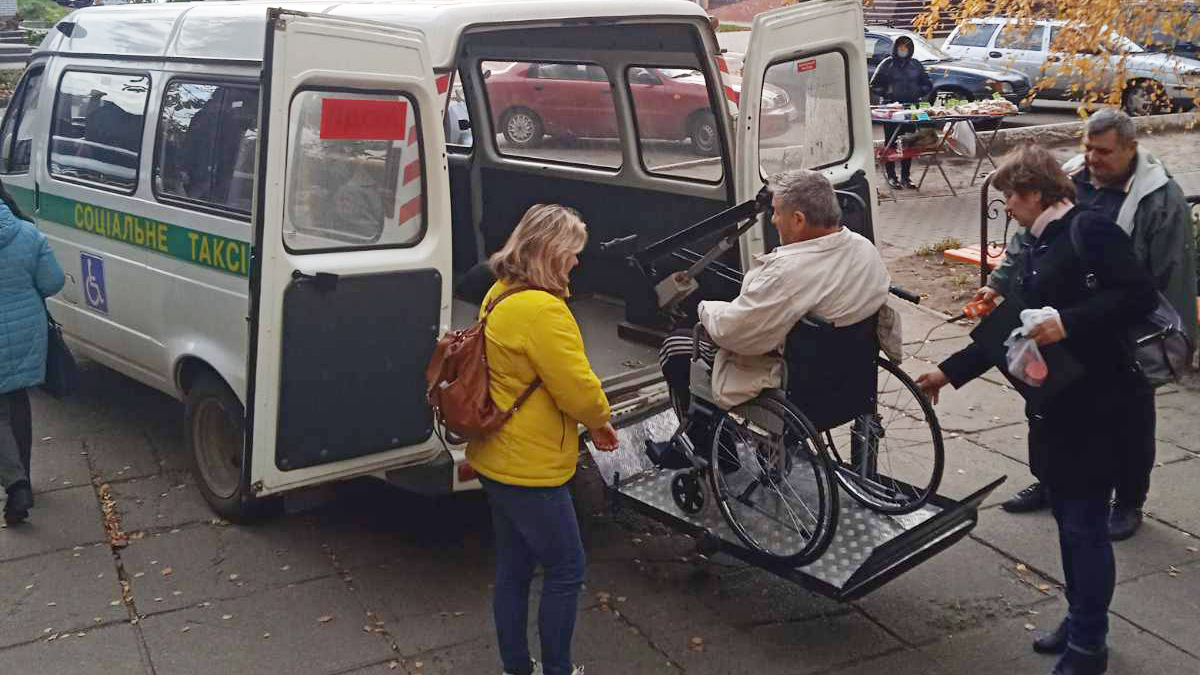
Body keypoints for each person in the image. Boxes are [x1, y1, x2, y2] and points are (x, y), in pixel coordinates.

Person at [917, 145, 1157, 675]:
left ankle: (1089, 645)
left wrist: (1068, 322)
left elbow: (1139, 296)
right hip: (1057, 404)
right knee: (1073, 525)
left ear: (1032, 194)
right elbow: (1008, 330)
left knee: (1083, 527)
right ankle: (1081, 618)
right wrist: (947, 372)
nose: (1007, 207)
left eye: (1009, 197)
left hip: (1098, 406)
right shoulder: (1037, 242)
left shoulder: (1089, 231)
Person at [980, 109, 1197, 540]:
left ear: (1130, 149)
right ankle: (1051, 479)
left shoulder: (1159, 198)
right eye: (1088, 148)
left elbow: (1172, 273)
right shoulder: (1072, 178)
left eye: (1104, 151)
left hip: (1123, 330)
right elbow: (1027, 239)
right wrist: (998, 284)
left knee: (1130, 421)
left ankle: (1128, 501)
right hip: (1058, 324)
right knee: (1045, 406)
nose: (1093, 158)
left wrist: (1171, 343)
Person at [467, 204, 618, 675]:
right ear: (552, 254)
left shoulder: (500, 292)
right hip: (530, 468)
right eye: (573, 253)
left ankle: (518, 667)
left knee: (513, 569)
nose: (577, 262)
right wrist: (601, 422)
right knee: (567, 568)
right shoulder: (544, 312)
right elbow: (578, 388)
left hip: (496, 456)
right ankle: (557, 669)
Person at [650, 169, 890, 454]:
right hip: (852, 376)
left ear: (798, 220)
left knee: (677, 348)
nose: (773, 220)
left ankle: (707, 449)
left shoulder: (786, 273)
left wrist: (704, 308)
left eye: (776, 212)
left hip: (798, 382)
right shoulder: (865, 249)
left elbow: (735, 333)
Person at [0, 182, 65, 525]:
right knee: (19, 402)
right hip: (27, 332)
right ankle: (23, 478)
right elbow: (53, 281)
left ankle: (17, 485)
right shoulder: (27, 233)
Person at [870, 35, 933, 190]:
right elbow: (874, 85)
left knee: (909, 142)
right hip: (891, 110)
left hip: (910, 109)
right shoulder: (887, 64)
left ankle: (906, 177)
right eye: (900, 47)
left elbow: (927, 84)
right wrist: (888, 94)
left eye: (906, 47)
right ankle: (891, 176)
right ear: (896, 48)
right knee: (891, 143)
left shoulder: (915, 65)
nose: (903, 50)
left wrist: (918, 92)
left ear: (910, 50)